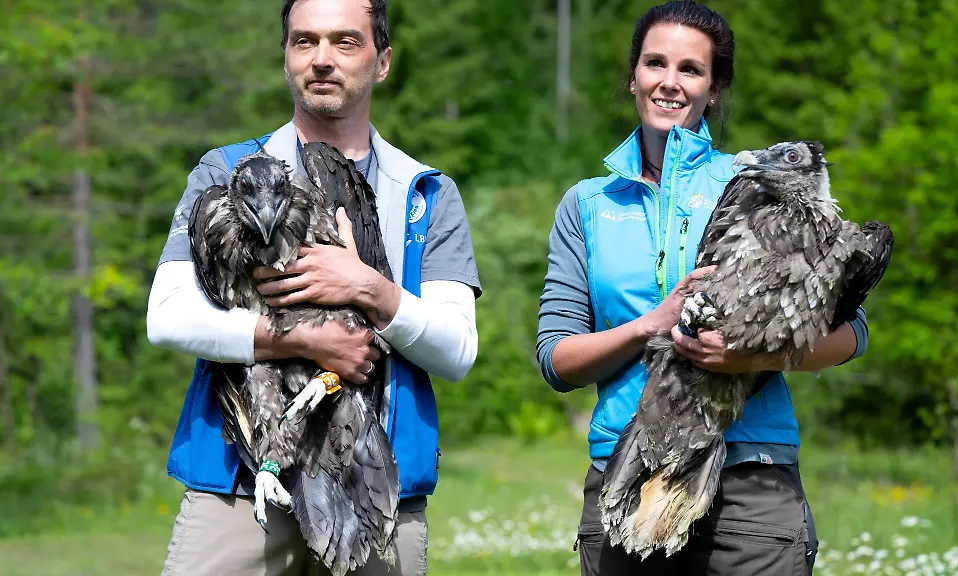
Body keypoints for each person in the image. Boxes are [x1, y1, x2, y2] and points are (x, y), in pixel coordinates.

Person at [146, 0, 481, 574]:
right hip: (240, 481)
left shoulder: (427, 193)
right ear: (286, 57)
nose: (322, 59)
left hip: (375, 483)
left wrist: (369, 288)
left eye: (345, 42)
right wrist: (301, 342)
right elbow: (169, 315)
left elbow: (456, 351)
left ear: (383, 62)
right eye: (304, 42)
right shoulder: (223, 174)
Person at [536, 1, 869, 574]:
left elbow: (851, 332)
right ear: (633, 76)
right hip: (631, 469)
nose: (670, 82)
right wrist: (649, 326)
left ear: (714, 89)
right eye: (654, 64)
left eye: (690, 69)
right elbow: (557, 360)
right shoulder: (587, 204)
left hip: (752, 480)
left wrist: (747, 354)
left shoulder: (764, 187)